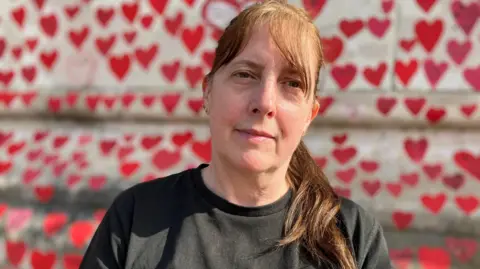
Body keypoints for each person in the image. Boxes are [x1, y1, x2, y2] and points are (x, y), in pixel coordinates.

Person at [79, 1, 393, 268]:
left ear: (309, 115)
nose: (265, 102)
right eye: (245, 75)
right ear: (208, 93)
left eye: (292, 84)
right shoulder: (136, 219)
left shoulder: (352, 236)